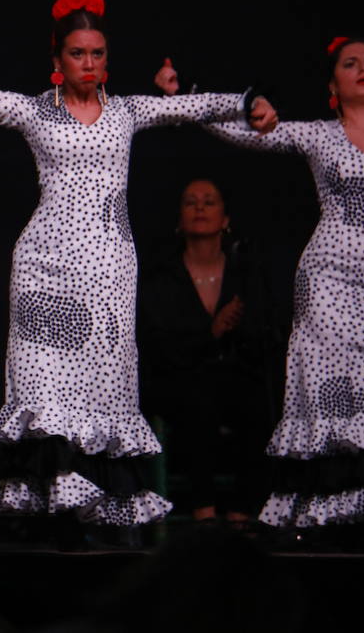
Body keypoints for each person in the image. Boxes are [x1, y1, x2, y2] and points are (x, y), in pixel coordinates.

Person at [0, 0, 277, 527]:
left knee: (101, 383)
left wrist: (249, 101)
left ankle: (95, 514)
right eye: (78, 53)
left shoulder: (126, 112)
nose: (89, 63)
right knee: (42, 386)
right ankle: (57, 511)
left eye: (98, 53)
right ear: (57, 60)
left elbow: (195, 105)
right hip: (44, 265)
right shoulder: (35, 110)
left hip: (108, 268)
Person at [161, 39, 364, 528]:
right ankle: (333, 512)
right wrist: (183, 97)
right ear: (332, 86)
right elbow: (246, 135)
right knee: (337, 391)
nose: (363, 69)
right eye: (350, 64)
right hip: (329, 281)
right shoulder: (319, 136)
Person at [137, 177, 281, 526]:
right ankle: (204, 514)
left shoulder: (245, 270)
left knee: (257, 404)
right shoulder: (162, 276)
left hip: (234, 377)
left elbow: (266, 332)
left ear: (226, 218)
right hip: (180, 380)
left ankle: (241, 515)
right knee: (196, 401)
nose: (200, 207)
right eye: (191, 201)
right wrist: (210, 332)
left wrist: (231, 333)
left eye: (209, 201)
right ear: (179, 218)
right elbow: (158, 344)